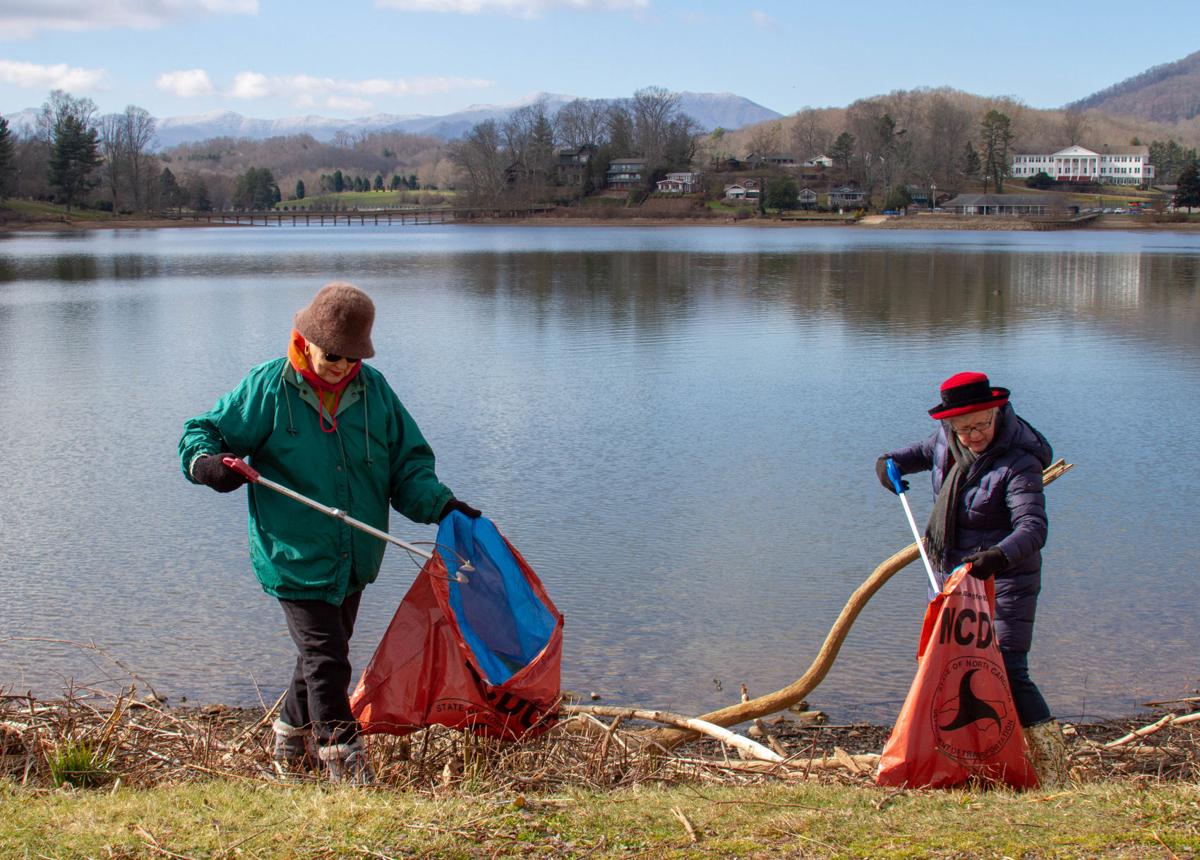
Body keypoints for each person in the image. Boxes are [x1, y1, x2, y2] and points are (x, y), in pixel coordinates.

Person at [179, 281, 480, 784]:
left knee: (322, 652)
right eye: (332, 355)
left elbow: (407, 468)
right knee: (327, 658)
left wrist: (443, 506)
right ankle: (344, 761)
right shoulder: (269, 387)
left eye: (351, 357)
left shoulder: (375, 391)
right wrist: (209, 466)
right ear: (306, 340)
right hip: (294, 554)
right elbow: (201, 432)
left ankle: (288, 744)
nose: (340, 366)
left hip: (355, 557)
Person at [874, 371, 1068, 786]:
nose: (974, 435)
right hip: (949, 579)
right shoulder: (946, 440)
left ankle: (1054, 773)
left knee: (1009, 672)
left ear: (997, 412)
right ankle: (959, 764)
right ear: (949, 425)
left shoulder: (1019, 461)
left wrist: (995, 558)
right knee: (942, 669)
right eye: (964, 428)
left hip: (1003, 582)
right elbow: (908, 457)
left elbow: (1033, 529)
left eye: (982, 424)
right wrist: (886, 465)